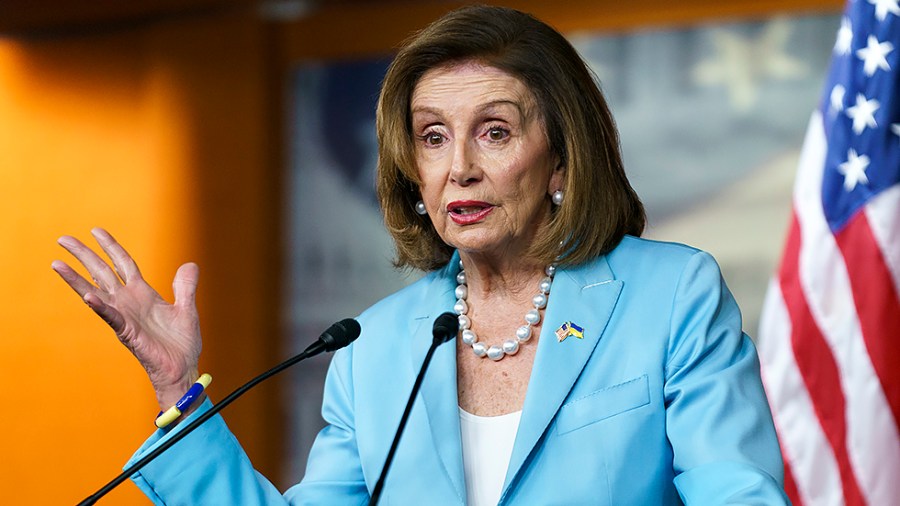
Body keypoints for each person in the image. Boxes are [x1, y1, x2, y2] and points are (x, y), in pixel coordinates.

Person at [53, 5, 789, 505]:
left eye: (495, 132)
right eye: (433, 136)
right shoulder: (373, 349)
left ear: (562, 160)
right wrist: (180, 392)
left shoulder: (671, 296)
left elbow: (737, 492)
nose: (458, 167)